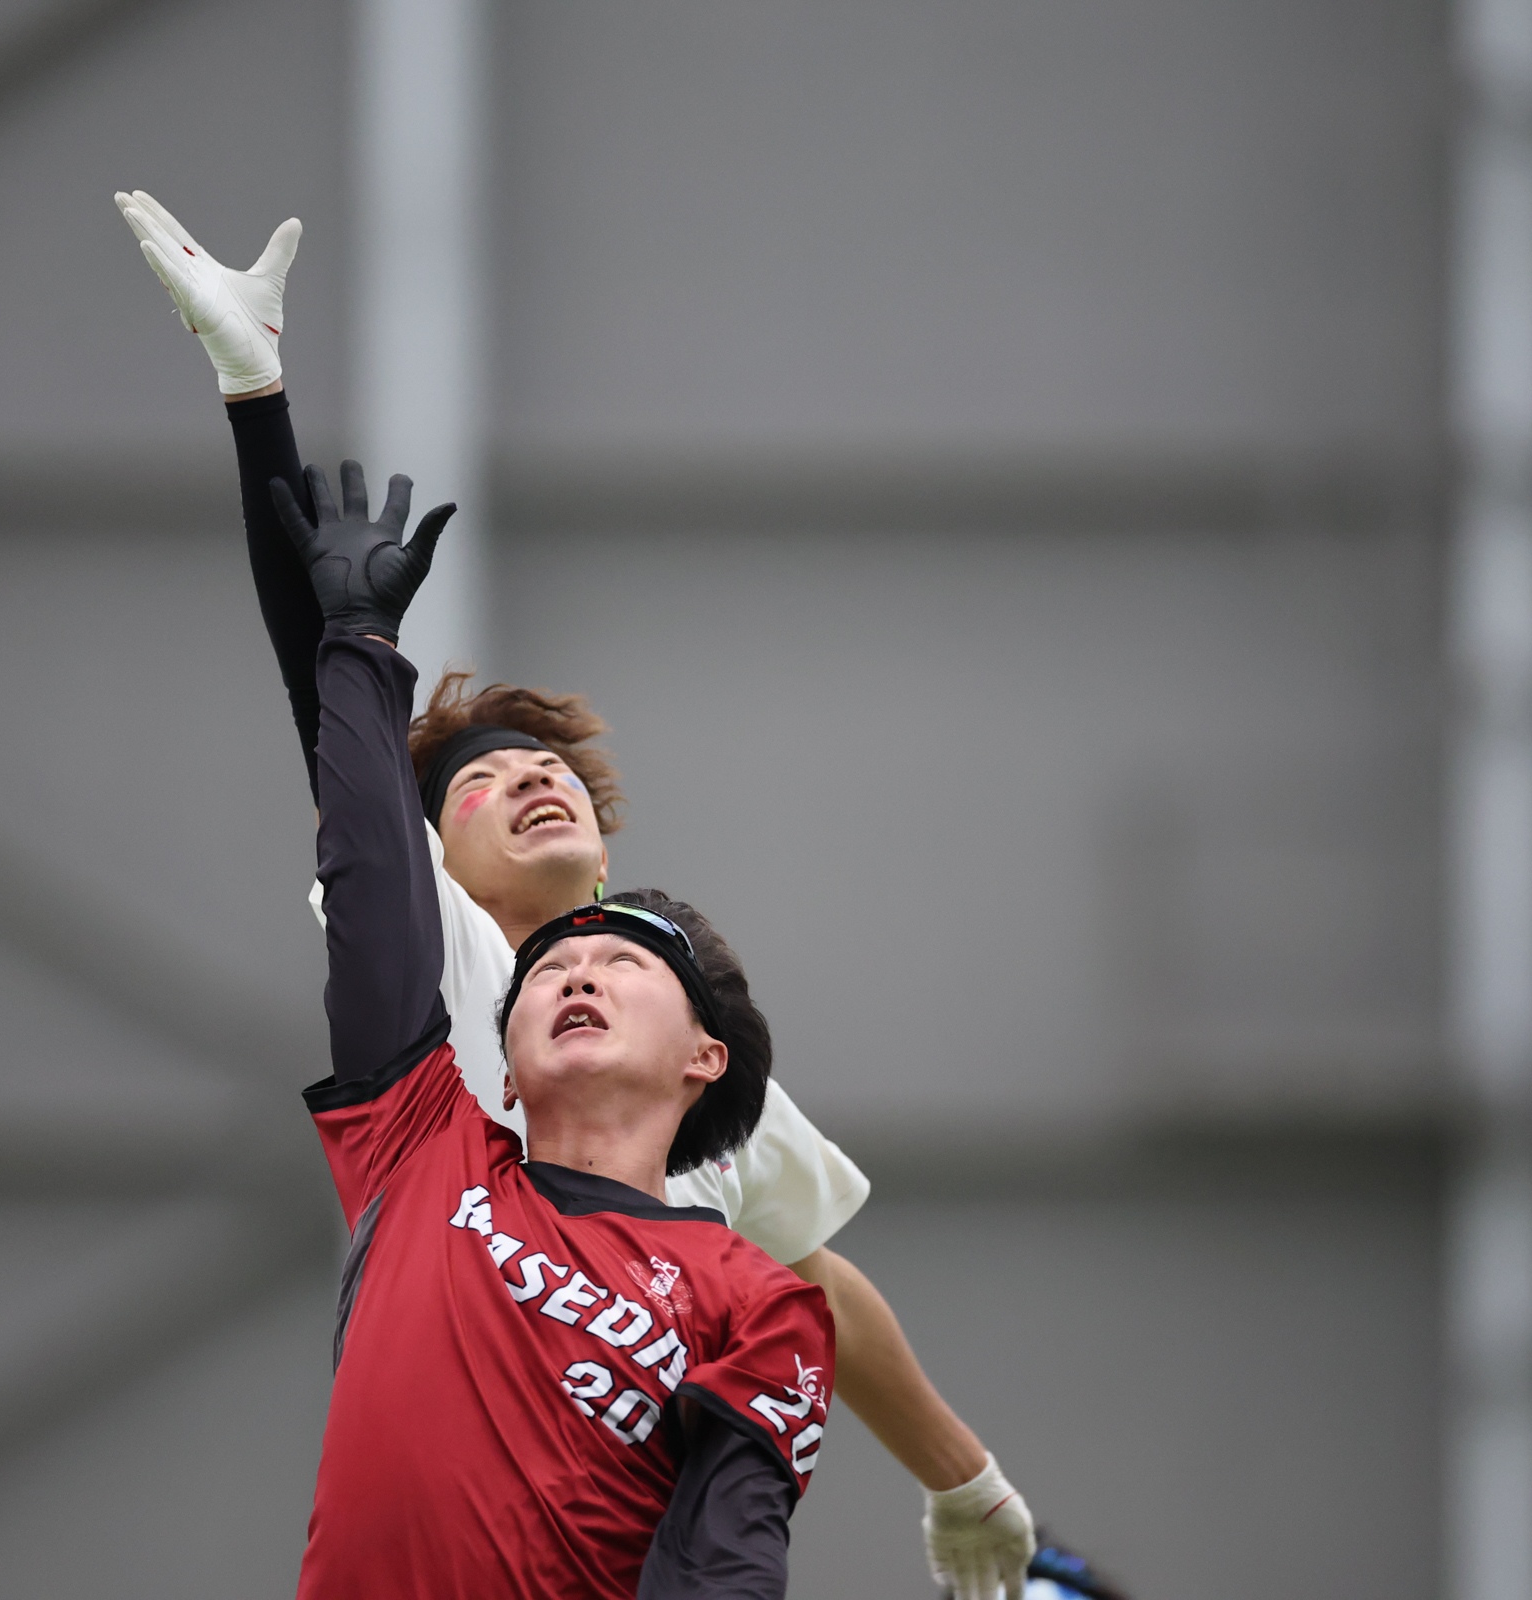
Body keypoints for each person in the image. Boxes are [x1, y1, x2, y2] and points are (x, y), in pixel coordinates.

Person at [116, 190, 1039, 1600]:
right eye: (481, 784)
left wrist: (967, 1481)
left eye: (552, 770)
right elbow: (335, 720)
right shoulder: (446, 1018)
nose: (532, 779)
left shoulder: (695, 1069)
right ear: (432, 860)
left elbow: (811, 1289)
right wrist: (258, 400)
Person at [283, 453, 833, 1596]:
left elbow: (727, 1562)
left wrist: (969, 1480)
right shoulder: (424, 1145)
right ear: (507, 1057)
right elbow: (370, 861)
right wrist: (357, 640)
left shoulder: (758, 1301)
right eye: (550, 970)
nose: (575, 973)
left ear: (705, 1055)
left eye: (621, 962)